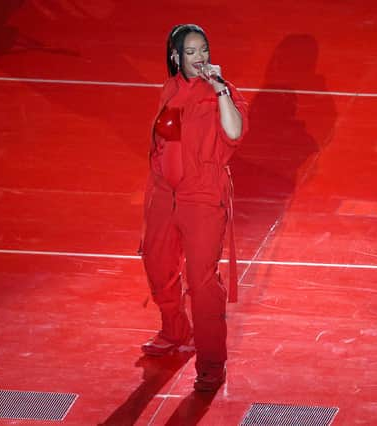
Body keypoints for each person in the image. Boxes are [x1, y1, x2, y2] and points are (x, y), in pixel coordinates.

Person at [139, 23, 249, 392]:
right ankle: (175, 330)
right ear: (176, 57)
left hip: (201, 195)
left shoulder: (224, 92)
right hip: (162, 194)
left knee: (202, 283)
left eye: (204, 49)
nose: (201, 57)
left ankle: (211, 362)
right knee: (156, 264)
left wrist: (220, 90)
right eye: (191, 52)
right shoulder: (169, 88)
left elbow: (234, 133)